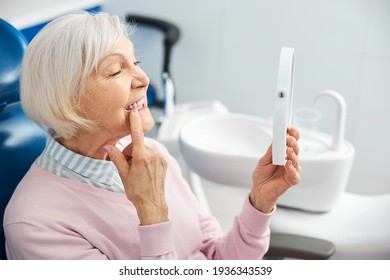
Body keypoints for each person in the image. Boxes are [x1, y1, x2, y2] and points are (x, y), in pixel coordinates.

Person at [3, 12, 301, 260]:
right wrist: (152, 212)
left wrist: (259, 203)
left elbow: (215, 259)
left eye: (136, 63)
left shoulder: (152, 156)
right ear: (68, 99)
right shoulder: (35, 224)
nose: (144, 80)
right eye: (116, 71)